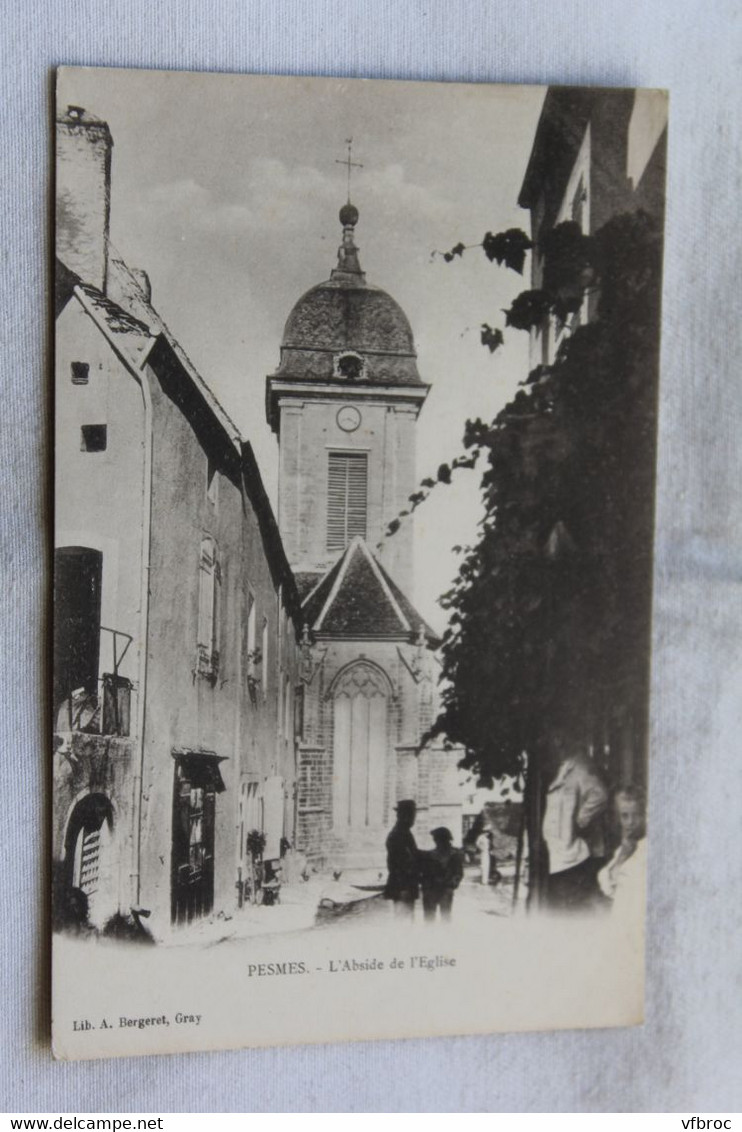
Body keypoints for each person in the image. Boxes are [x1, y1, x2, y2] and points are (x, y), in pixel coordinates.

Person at [542, 735, 608, 913]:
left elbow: (599, 795)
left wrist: (581, 820)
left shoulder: (580, 766)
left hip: (572, 856)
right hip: (553, 854)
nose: (557, 743)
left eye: (561, 737)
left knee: (569, 909)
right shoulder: (557, 767)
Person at [597, 786, 647, 918]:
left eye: (636, 815)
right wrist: (622, 857)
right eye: (625, 816)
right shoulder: (625, 847)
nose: (630, 822)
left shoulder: (647, 848)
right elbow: (606, 884)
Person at [419, 827, 464, 922]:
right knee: (432, 918)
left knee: (443, 918)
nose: (435, 841)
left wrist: (451, 884)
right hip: (433, 890)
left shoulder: (454, 855)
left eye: (437, 839)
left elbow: (458, 873)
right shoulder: (430, 855)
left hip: (443, 890)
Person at [384, 799, 420, 916]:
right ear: (404, 815)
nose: (413, 819)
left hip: (405, 884)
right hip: (402, 885)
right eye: (412, 815)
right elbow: (407, 860)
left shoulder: (404, 832)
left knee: (406, 920)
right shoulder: (399, 834)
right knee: (404, 923)